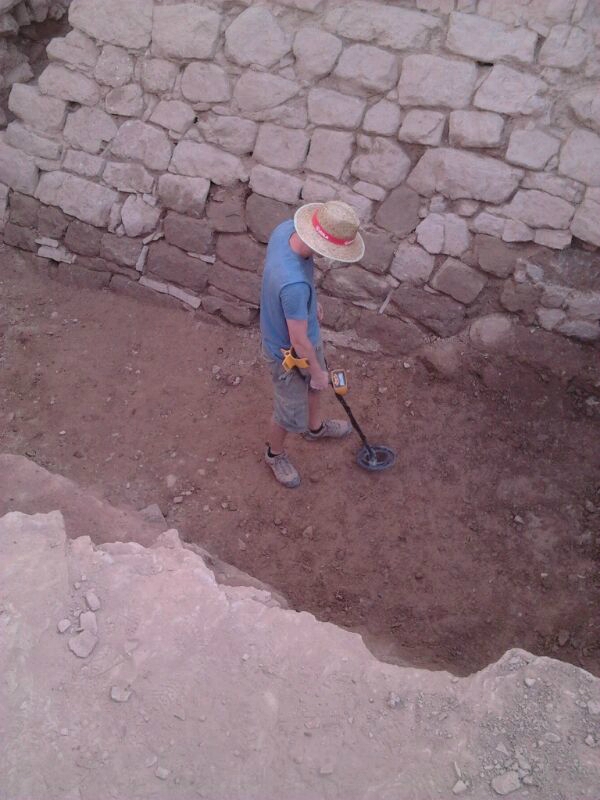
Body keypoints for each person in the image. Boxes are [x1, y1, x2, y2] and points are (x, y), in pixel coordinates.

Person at [260, 200, 365, 488]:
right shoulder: (294, 286)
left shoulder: (285, 231)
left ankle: (315, 428)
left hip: (305, 335)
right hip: (289, 352)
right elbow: (297, 339)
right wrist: (317, 372)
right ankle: (274, 453)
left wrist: (310, 305)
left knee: (314, 388)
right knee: (288, 410)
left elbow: (293, 285)